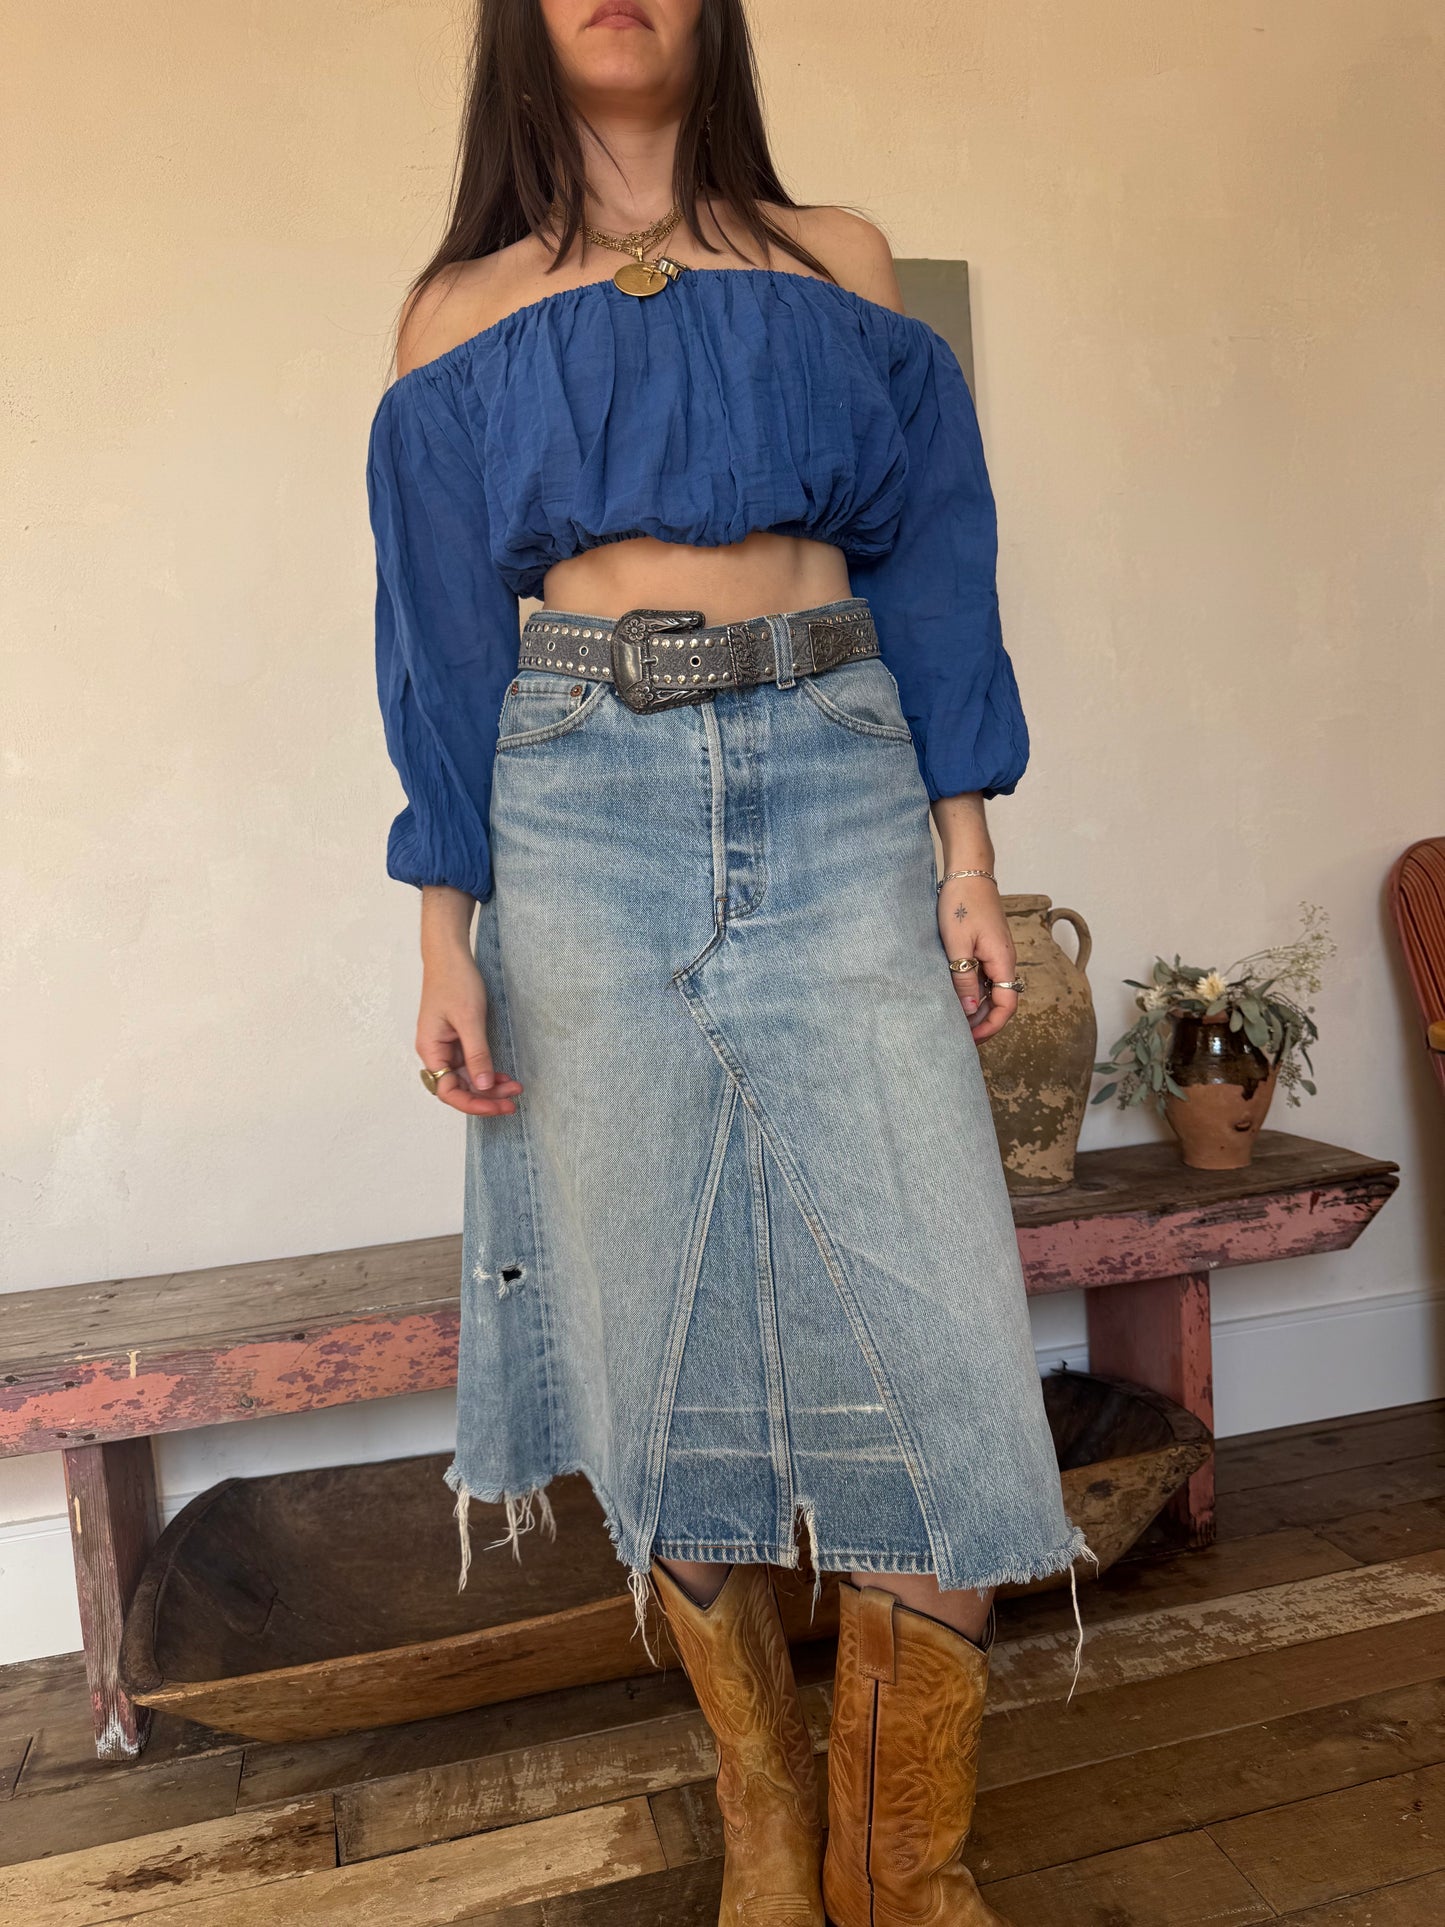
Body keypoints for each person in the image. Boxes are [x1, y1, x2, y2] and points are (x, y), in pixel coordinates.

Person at [366, 2, 1093, 1921]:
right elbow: (437, 646)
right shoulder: (456, 311)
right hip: (572, 805)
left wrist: (966, 853)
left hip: (836, 772)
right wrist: (443, 930)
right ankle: (766, 1822)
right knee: (649, 1317)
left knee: (937, 1321)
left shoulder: (838, 259)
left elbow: (939, 562)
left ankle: (904, 1871)